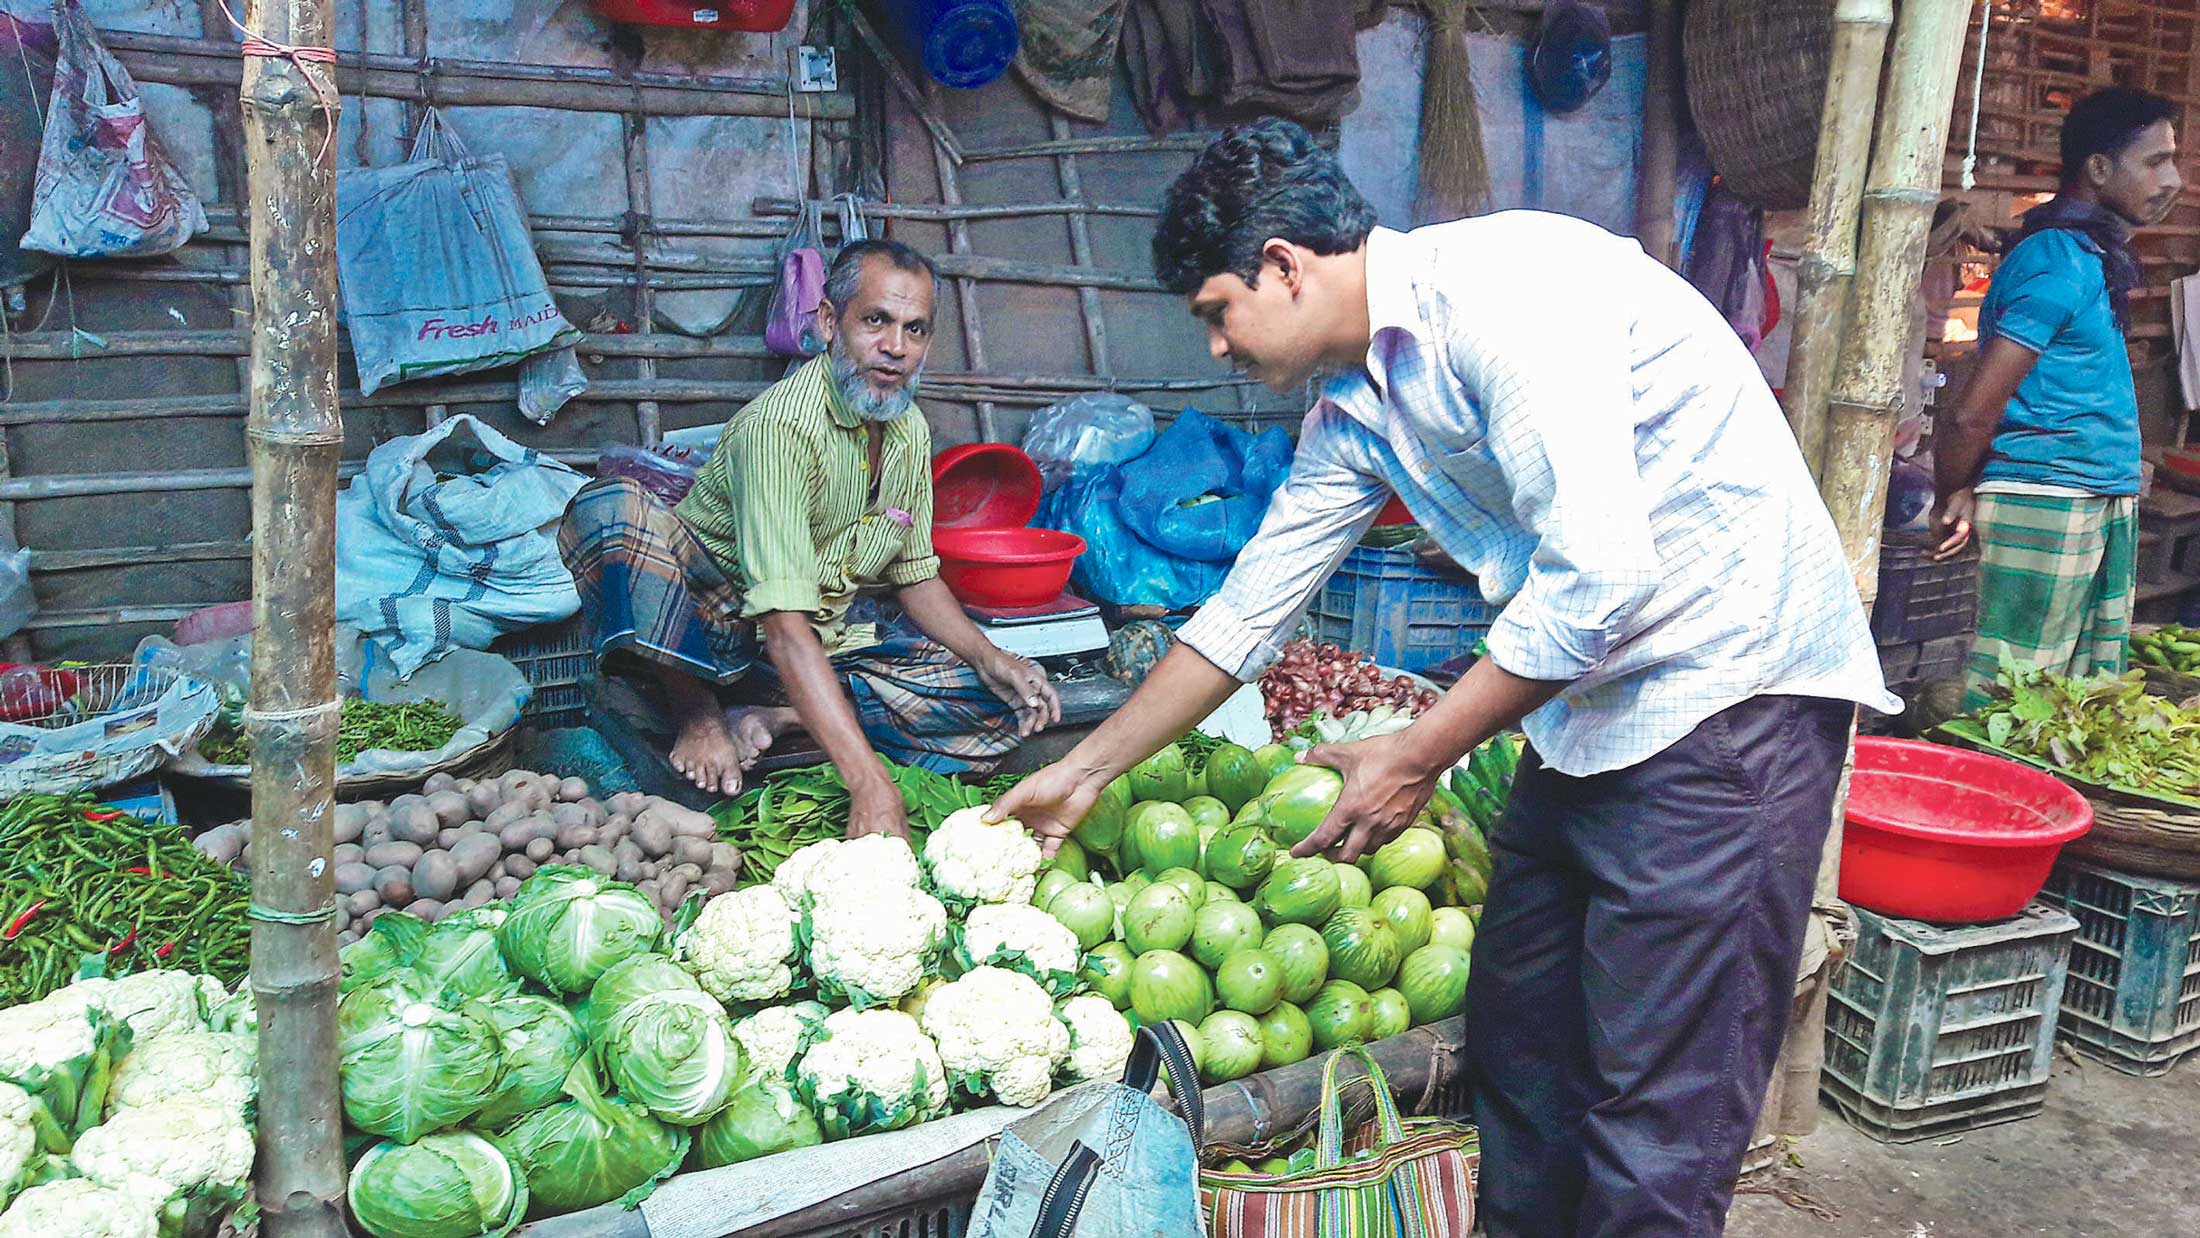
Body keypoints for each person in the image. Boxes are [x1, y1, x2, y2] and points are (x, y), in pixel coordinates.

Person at [990, 119, 1897, 1236]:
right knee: (1523, 1048)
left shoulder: (1507, 296)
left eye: (1216, 311)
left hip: (1728, 702)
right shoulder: (1358, 406)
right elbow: (1245, 614)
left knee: (1657, 1113)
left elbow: (1599, 581)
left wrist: (1417, 753)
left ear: (1283, 264)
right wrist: (1082, 770)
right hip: (1589, 715)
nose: (1218, 348)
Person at [560, 239, 1060, 836]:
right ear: (829, 322)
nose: (895, 348)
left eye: (915, 329)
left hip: (815, 645)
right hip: (705, 635)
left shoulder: (908, 430)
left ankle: (782, 715)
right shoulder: (781, 429)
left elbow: (917, 575)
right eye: (876, 321)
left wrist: (992, 656)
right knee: (611, 507)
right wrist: (869, 782)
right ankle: (697, 713)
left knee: (998, 706)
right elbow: (782, 626)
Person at [1931, 87, 2182, 706]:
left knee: (2070, 706)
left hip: (2091, 495)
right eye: (2154, 161)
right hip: (2046, 501)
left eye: (2175, 160)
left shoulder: (2087, 256)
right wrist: (1954, 492)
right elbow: (1970, 412)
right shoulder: (2054, 260)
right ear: (2099, 169)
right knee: (2009, 701)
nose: (2173, 179)